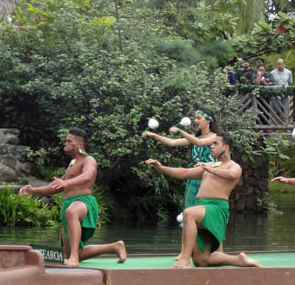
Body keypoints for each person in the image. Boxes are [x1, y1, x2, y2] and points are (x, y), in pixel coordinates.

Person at [145, 132, 261, 269]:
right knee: (201, 261)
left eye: (215, 143)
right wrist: (161, 167)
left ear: (226, 148)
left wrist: (210, 169)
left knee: (189, 213)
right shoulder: (211, 165)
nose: (211, 146)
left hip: (216, 208)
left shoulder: (233, 166)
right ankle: (239, 261)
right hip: (202, 206)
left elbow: (232, 175)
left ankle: (184, 261)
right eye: (211, 143)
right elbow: (185, 173)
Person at [19, 128, 127, 268]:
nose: (66, 144)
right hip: (69, 203)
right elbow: (56, 187)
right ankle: (114, 247)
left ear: (79, 144)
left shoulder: (89, 160)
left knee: (72, 212)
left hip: (83, 201)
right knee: (68, 252)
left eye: (69, 141)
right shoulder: (72, 164)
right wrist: (33, 190)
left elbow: (88, 175)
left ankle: (74, 257)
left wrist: (67, 182)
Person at [143, 108, 219, 214]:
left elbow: (199, 143)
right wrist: (153, 135)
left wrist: (180, 131)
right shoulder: (195, 137)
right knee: (190, 209)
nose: (195, 121)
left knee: (205, 210)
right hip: (194, 176)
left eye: (198, 118)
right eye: (195, 118)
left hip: (210, 176)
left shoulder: (216, 137)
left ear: (208, 121)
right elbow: (172, 142)